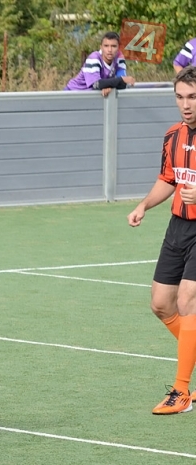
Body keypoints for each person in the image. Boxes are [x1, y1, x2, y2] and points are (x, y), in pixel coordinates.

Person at [127, 66, 196, 415]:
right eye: (180, 97)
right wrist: (144, 205)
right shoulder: (172, 136)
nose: (186, 105)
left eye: (193, 97)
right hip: (178, 227)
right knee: (161, 303)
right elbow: (168, 179)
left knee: (187, 299)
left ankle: (181, 392)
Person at [65, 31, 136, 97]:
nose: (109, 50)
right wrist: (117, 81)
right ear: (101, 47)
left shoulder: (119, 57)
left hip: (90, 96)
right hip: (73, 93)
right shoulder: (94, 58)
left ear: (119, 48)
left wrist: (109, 85)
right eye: (106, 46)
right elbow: (96, 84)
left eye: (113, 46)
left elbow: (123, 84)